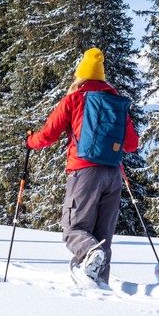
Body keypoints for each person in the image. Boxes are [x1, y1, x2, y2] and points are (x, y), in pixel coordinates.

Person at [25, 48, 139, 285]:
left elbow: (48, 135)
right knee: (102, 237)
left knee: (74, 228)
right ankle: (100, 287)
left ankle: (88, 257)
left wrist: (29, 141)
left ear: (80, 77)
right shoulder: (116, 104)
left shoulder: (74, 99)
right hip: (113, 175)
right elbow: (132, 144)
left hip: (84, 173)